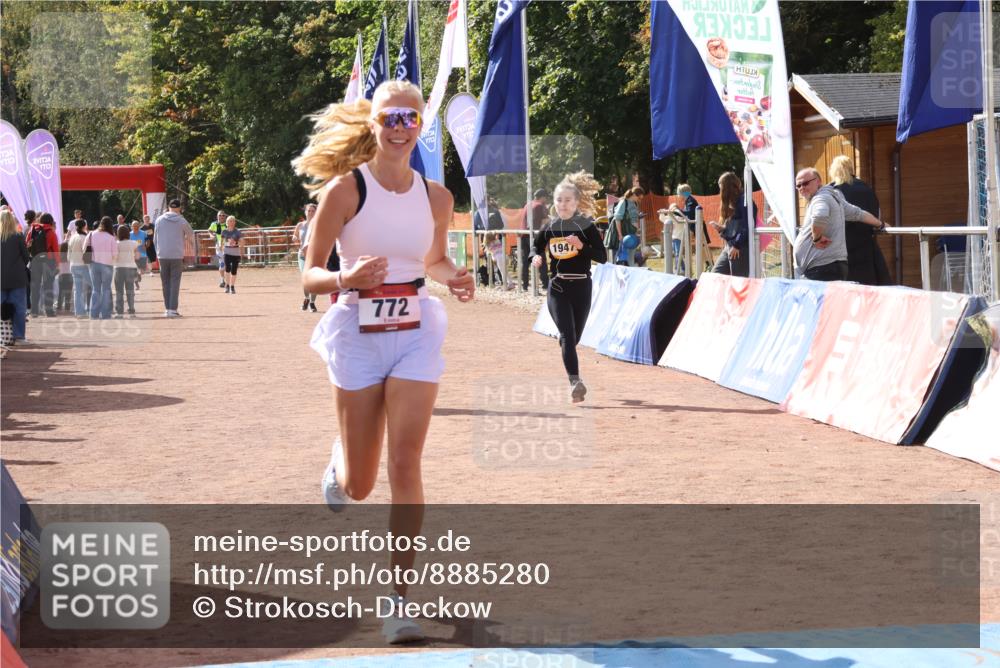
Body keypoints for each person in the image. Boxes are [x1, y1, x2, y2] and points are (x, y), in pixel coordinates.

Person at [293, 80, 474, 644]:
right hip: (358, 331)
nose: (400, 127)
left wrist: (456, 277)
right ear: (372, 123)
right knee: (362, 484)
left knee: (406, 462)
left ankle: (398, 603)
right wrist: (344, 277)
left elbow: (434, 260)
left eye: (410, 119)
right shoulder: (347, 191)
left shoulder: (437, 197)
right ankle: (340, 459)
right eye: (391, 117)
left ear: (422, 126)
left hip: (416, 327)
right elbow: (309, 273)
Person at [530, 171, 607, 403]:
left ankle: (567, 348)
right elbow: (534, 248)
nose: (563, 204)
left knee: (574, 337)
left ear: (576, 203)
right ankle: (575, 382)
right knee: (567, 333)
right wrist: (535, 258)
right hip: (559, 288)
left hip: (582, 287)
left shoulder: (586, 227)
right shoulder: (550, 227)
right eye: (559, 200)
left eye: (568, 200)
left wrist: (581, 246)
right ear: (554, 203)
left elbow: (602, 257)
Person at [794, 167, 886, 281]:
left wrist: (816, 239)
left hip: (822, 268)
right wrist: (880, 224)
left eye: (805, 183)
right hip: (826, 267)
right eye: (798, 186)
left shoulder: (820, 198)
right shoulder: (833, 197)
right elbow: (858, 214)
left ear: (818, 181)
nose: (802, 188)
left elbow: (819, 215)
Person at [829, 156, 892, 285]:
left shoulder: (830, 191)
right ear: (852, 169)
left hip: (840, 252)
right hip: (866, 250)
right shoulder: (866, 189)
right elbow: (877, 216)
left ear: (833, 171)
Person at [708, 172, 757, 277]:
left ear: (728, 188)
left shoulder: (744, 200)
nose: (720, 192)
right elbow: (735, 227)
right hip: (730, 246)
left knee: (738, 282)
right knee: (715, 275)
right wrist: (722, 229)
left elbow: (746, 225)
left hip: (739, 248)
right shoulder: (734, 202)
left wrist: (736, 245)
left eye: (722, 188)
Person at [153, 199, 195, 317]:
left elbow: (155, 239)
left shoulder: (159, 220)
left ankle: (167, 309)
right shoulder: (181, 220)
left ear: (169, 207)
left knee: (165, 282)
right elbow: (191, 233)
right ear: (179, 208)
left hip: (162, 255)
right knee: (175, 282)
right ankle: (173, 309)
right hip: (176, 255)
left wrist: (158, 252)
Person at [0, 210, 30, 343]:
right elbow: (26, 258)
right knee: (19, 308)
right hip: (17, 277)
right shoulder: (18, 237)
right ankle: (18, 336)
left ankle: (2, 336)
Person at [25, 210, 59, 317]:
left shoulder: (33, 230)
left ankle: (34, 311)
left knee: (35, 286)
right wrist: (57, 264)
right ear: (51, 221)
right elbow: (56, 250)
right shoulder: (52, 233)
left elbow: (27, 244)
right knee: (48, 286)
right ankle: (49, 311)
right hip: (48, 261)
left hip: (35, 260)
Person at [84, 216, 118, 319]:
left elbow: (84, 248)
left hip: (93, 264)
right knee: (106, 289)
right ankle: (105, 314)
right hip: (107, 264)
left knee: (96, 289)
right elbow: (115, 254)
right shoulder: (111, 237)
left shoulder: (91, 234)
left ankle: (93, 314)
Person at [520, 188, 549, 290]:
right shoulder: (540, 206)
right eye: (546, 197)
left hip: (524, 236)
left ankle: (524, 285)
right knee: (541, 261)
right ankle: (545, 284)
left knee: (525, 262)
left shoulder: (527, 205)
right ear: (543, 197)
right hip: (535, 237)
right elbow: (546, 222)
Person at [293, 203, 319, 311]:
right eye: (309, 210)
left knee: (315, 280)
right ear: (305, 212)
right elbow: (295, 235)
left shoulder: (319, 224)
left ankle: (312, 303)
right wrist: (295, 238)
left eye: (313, 211)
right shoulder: (300, 225)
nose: (311, 213)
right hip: (302, 256)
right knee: (305, 278)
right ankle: (306, 298)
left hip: (315, 256)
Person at [113, 224, 140, 318]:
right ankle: (132, 311)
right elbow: (137, 257)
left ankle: (119, 312)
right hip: (131, 267)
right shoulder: (134, 243)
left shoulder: (116, 244)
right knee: (130, 290)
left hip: (119, 268)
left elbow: (114, 257)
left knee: (119, 291)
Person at [609, 187, 642, 265]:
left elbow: (632, 218)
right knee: (621, 256)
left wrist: (637, 229)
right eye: (639, 197)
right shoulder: (623, 202)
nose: (639, 199)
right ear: (634, 195)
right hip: (623, 233)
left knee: (631, 256)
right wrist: (620, 235)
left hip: (631, 233)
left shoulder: (634, 203)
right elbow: (617, 219)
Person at [67, 220, 92, 318]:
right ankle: (96, 309)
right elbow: (86, 253)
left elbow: (69, 254)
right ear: (84, 226)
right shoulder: (84, 237)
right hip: (83, 265)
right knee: (94, 286)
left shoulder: (72, 237)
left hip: (73, 264)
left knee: (77, 290)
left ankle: (79, 312)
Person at [220, 215, 244, 294]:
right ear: (227, 222)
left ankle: (232, 287)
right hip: (227, 252)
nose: (231, 222)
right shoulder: (224, 231)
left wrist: (237, 243)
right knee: (227, 269)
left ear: (235, 222)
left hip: (235, 253)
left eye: (233, 221)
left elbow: (242, 241)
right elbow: (222, 241)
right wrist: (221, 247)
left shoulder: (238, 232)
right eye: (230, 221)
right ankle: (227, 285)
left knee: (234, 270)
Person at [208, 210, 227, 288]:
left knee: (229, 263)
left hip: (228, 246)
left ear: (225, 217)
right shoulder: (214, 224)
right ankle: (222, 280)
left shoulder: (228, 224)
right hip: (219, 246)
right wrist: (211, 235)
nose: (221, 217)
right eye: (220, 215)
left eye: (223, 215)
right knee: (222, 263)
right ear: (217, 216)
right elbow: (209, 231)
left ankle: (229, 279)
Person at [130, 220, 148, 288]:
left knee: (143, 270)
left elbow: (147, 241)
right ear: (132, 227)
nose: (135, 227)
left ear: (139, 226)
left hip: (143, 254)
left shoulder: (143, 233)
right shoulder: (130, 234)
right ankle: (136, 284)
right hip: (133, 255)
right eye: (134, 226)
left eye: (137, 226)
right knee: (134, 270)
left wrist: (146, 245)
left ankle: (139, 274)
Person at [56, 239, 73, 313]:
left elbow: (57, 267)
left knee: (61, 292)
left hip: (61, 275)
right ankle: (67, 307)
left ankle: (59, 306)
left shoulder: (59, 256)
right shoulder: (70, 255)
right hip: (69, 275)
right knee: (68, 293)